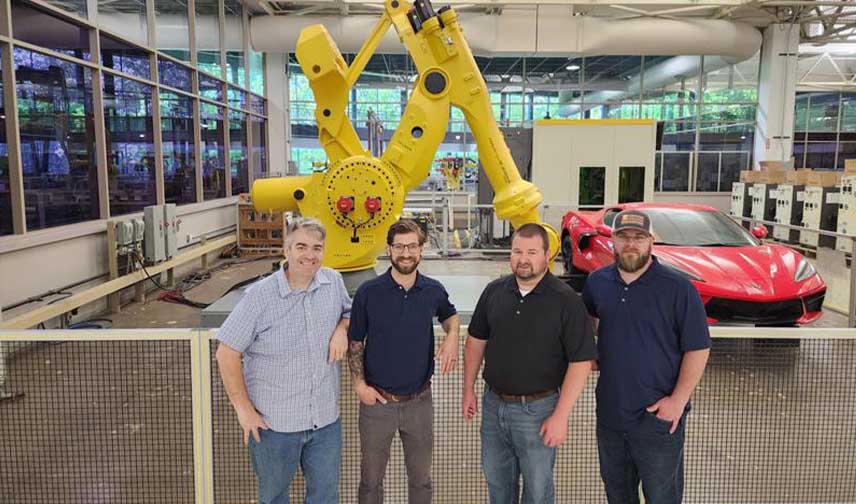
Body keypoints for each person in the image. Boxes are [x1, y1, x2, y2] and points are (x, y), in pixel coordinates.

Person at [215, 217, 351, 504]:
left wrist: (341, 329)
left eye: (317, 248)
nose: (310, 255)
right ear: (285, 251)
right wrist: (243, 410)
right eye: (301, 246)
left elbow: (350, 313)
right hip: (274, 426)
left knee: (325, 497)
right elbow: (226, 352)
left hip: (325, 422)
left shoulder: (333, 282)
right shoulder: (259, 296)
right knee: (274, 497)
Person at [581, 209, 711, 504]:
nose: (631, 244)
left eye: (639, 237)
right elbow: (588, 321)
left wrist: (677, 401)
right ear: (612, 240)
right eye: (623, 237)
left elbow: (698, 347)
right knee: (618, 495)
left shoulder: (678, 288)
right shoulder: (597, 282)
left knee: (662, 497)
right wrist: (588, 351)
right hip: (611, 417)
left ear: (651, 241)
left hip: (657, 419)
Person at [463, 223, 597, 504]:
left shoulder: (567, 301)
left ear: (547, 255)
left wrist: (560, 416)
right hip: (493, 406)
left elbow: (581, 361)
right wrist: (468, 389)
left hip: (538, 411)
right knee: (498, 485)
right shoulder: (494, 291)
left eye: (532, 252)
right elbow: (476, 340)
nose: (523, 259)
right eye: (517, 251)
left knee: (538, 491)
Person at [347, 219, 460, 504]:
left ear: (422, 250)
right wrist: (359, 385)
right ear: (389, 249)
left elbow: (450, 315)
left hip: (419, 402)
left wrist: (452, 336)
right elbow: (355, 341)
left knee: (421, 481)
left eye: (412, 246)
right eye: (399, 246)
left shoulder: (433, 290)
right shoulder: (368, 292)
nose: (405, 253)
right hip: (377, 404)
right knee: (370, 481)